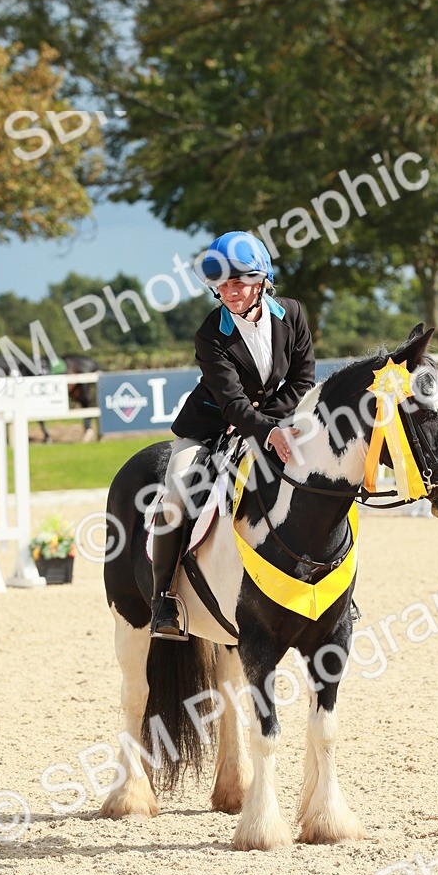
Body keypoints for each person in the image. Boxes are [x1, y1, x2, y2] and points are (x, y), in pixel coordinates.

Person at [150, 230, 316, 638]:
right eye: (221, 285)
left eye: (238, 282)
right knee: (175, 494)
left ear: (261, 281)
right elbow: (232, 402)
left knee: (317, 478)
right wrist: (263, 427)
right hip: (209, 429)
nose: (228, 291)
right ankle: (164, 601)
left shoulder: (292, 314)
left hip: (271, 423)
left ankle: (326, 586)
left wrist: (272, 426)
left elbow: (303, 379)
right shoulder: (211, 334)